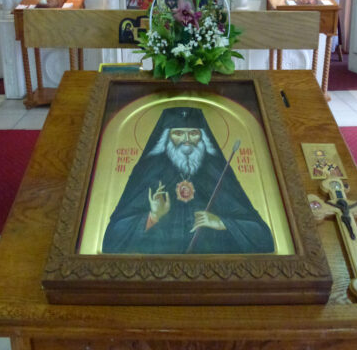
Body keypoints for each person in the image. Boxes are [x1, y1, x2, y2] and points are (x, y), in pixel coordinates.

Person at [102, 107, 274, 254]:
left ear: (202, 138)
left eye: (193, 133)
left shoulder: (216, 172)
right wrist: (152, 216)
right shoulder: (149, 172)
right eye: (178, 133)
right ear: (166, 138)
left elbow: (262, 237)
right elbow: (112, 239)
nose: (186, 140)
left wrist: (221, 222)